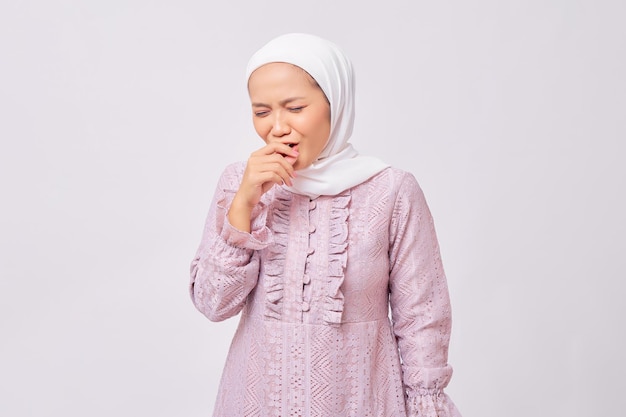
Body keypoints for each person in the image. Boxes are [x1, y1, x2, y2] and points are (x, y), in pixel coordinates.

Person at [190, 33, 462, 417]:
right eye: (262, 111)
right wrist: (245, 203)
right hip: (256, 400)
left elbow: (423, 319)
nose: (277, 127)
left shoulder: (392, 190)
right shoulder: (240, 182)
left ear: (335, 104)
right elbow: (213, 303)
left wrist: (425, 404)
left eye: (295, 107)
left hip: (361, 400)